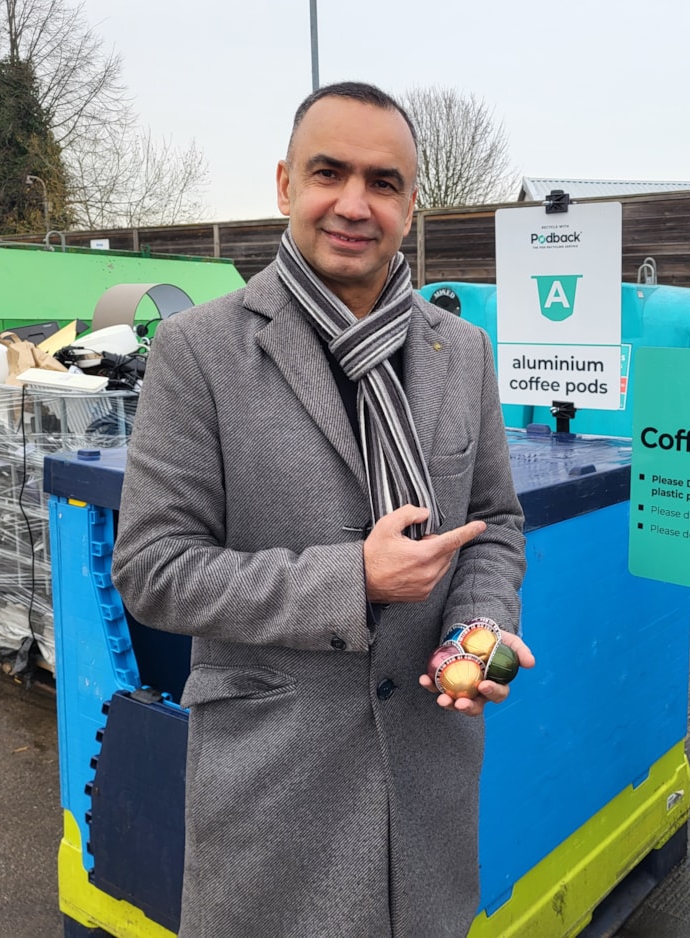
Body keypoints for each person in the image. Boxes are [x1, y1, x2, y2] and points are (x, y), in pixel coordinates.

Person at [111, 80, 532, 938]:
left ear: (411, 206)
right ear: (283, 185)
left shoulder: (463, 352)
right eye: (327, 173)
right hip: (275, 796)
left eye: (383, 182)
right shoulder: (201, 351)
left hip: (427, 786)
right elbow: (153, 571)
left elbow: (495, 522)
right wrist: (354, 580)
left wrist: (478, 626)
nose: (353, 204)